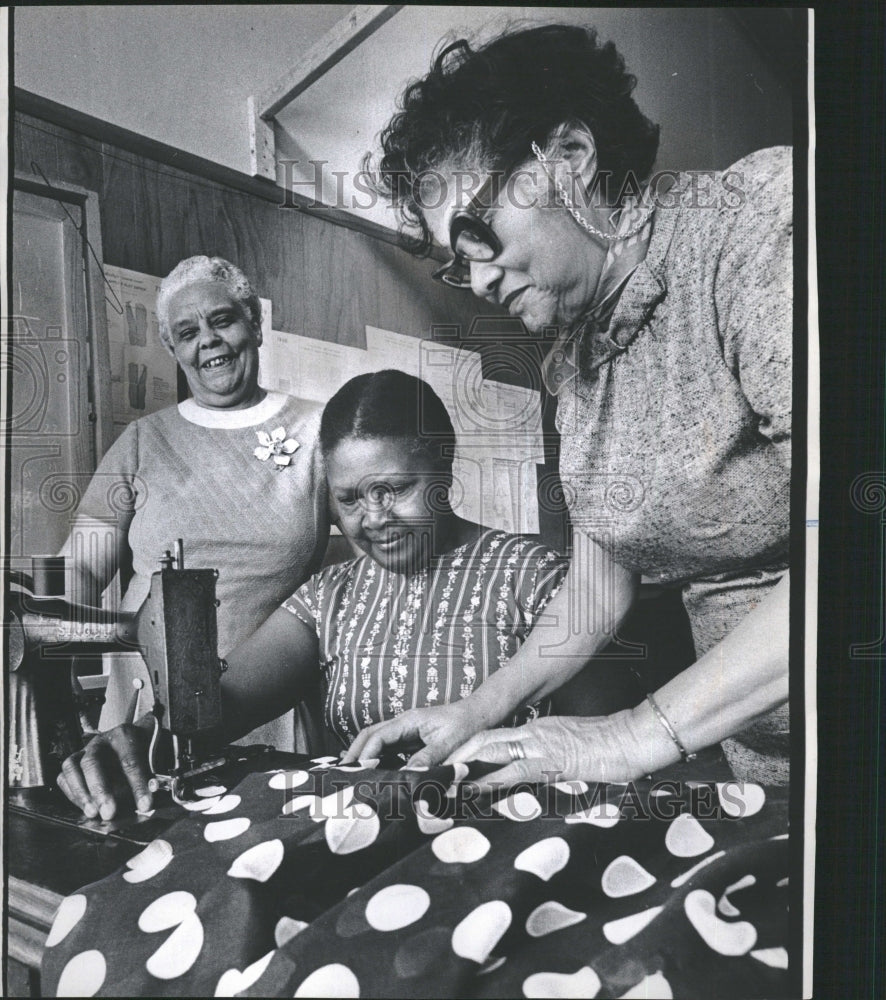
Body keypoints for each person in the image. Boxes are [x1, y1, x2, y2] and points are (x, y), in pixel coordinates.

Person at [343, 24, 792, 787]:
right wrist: (477, 710)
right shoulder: (579, 365)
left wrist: (629, 736)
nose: (477, 279)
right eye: (458, 264)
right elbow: (597, 583)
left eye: (474, 233)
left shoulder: (757, 231)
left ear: (570, 158)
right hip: (768, 763)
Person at [58, 371, 568, 818]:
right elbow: (220, 706)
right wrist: (136, 740)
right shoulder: (331, 595)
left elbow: (596, 749)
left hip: (508, 839)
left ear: (444, 467)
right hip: (369, 849)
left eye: (393, 490)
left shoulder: (536, 578)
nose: (373, 519)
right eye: (349, 499)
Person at [59, 256, 330, 769]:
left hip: (270, 704)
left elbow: (376, 556)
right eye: (187, 332)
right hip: (146, 709)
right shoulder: (141, 442)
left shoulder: (317, 432)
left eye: (222, 319)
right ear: (172, 349)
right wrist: (54, 653)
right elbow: (82, 565)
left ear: (254, 322)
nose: (207, 340)